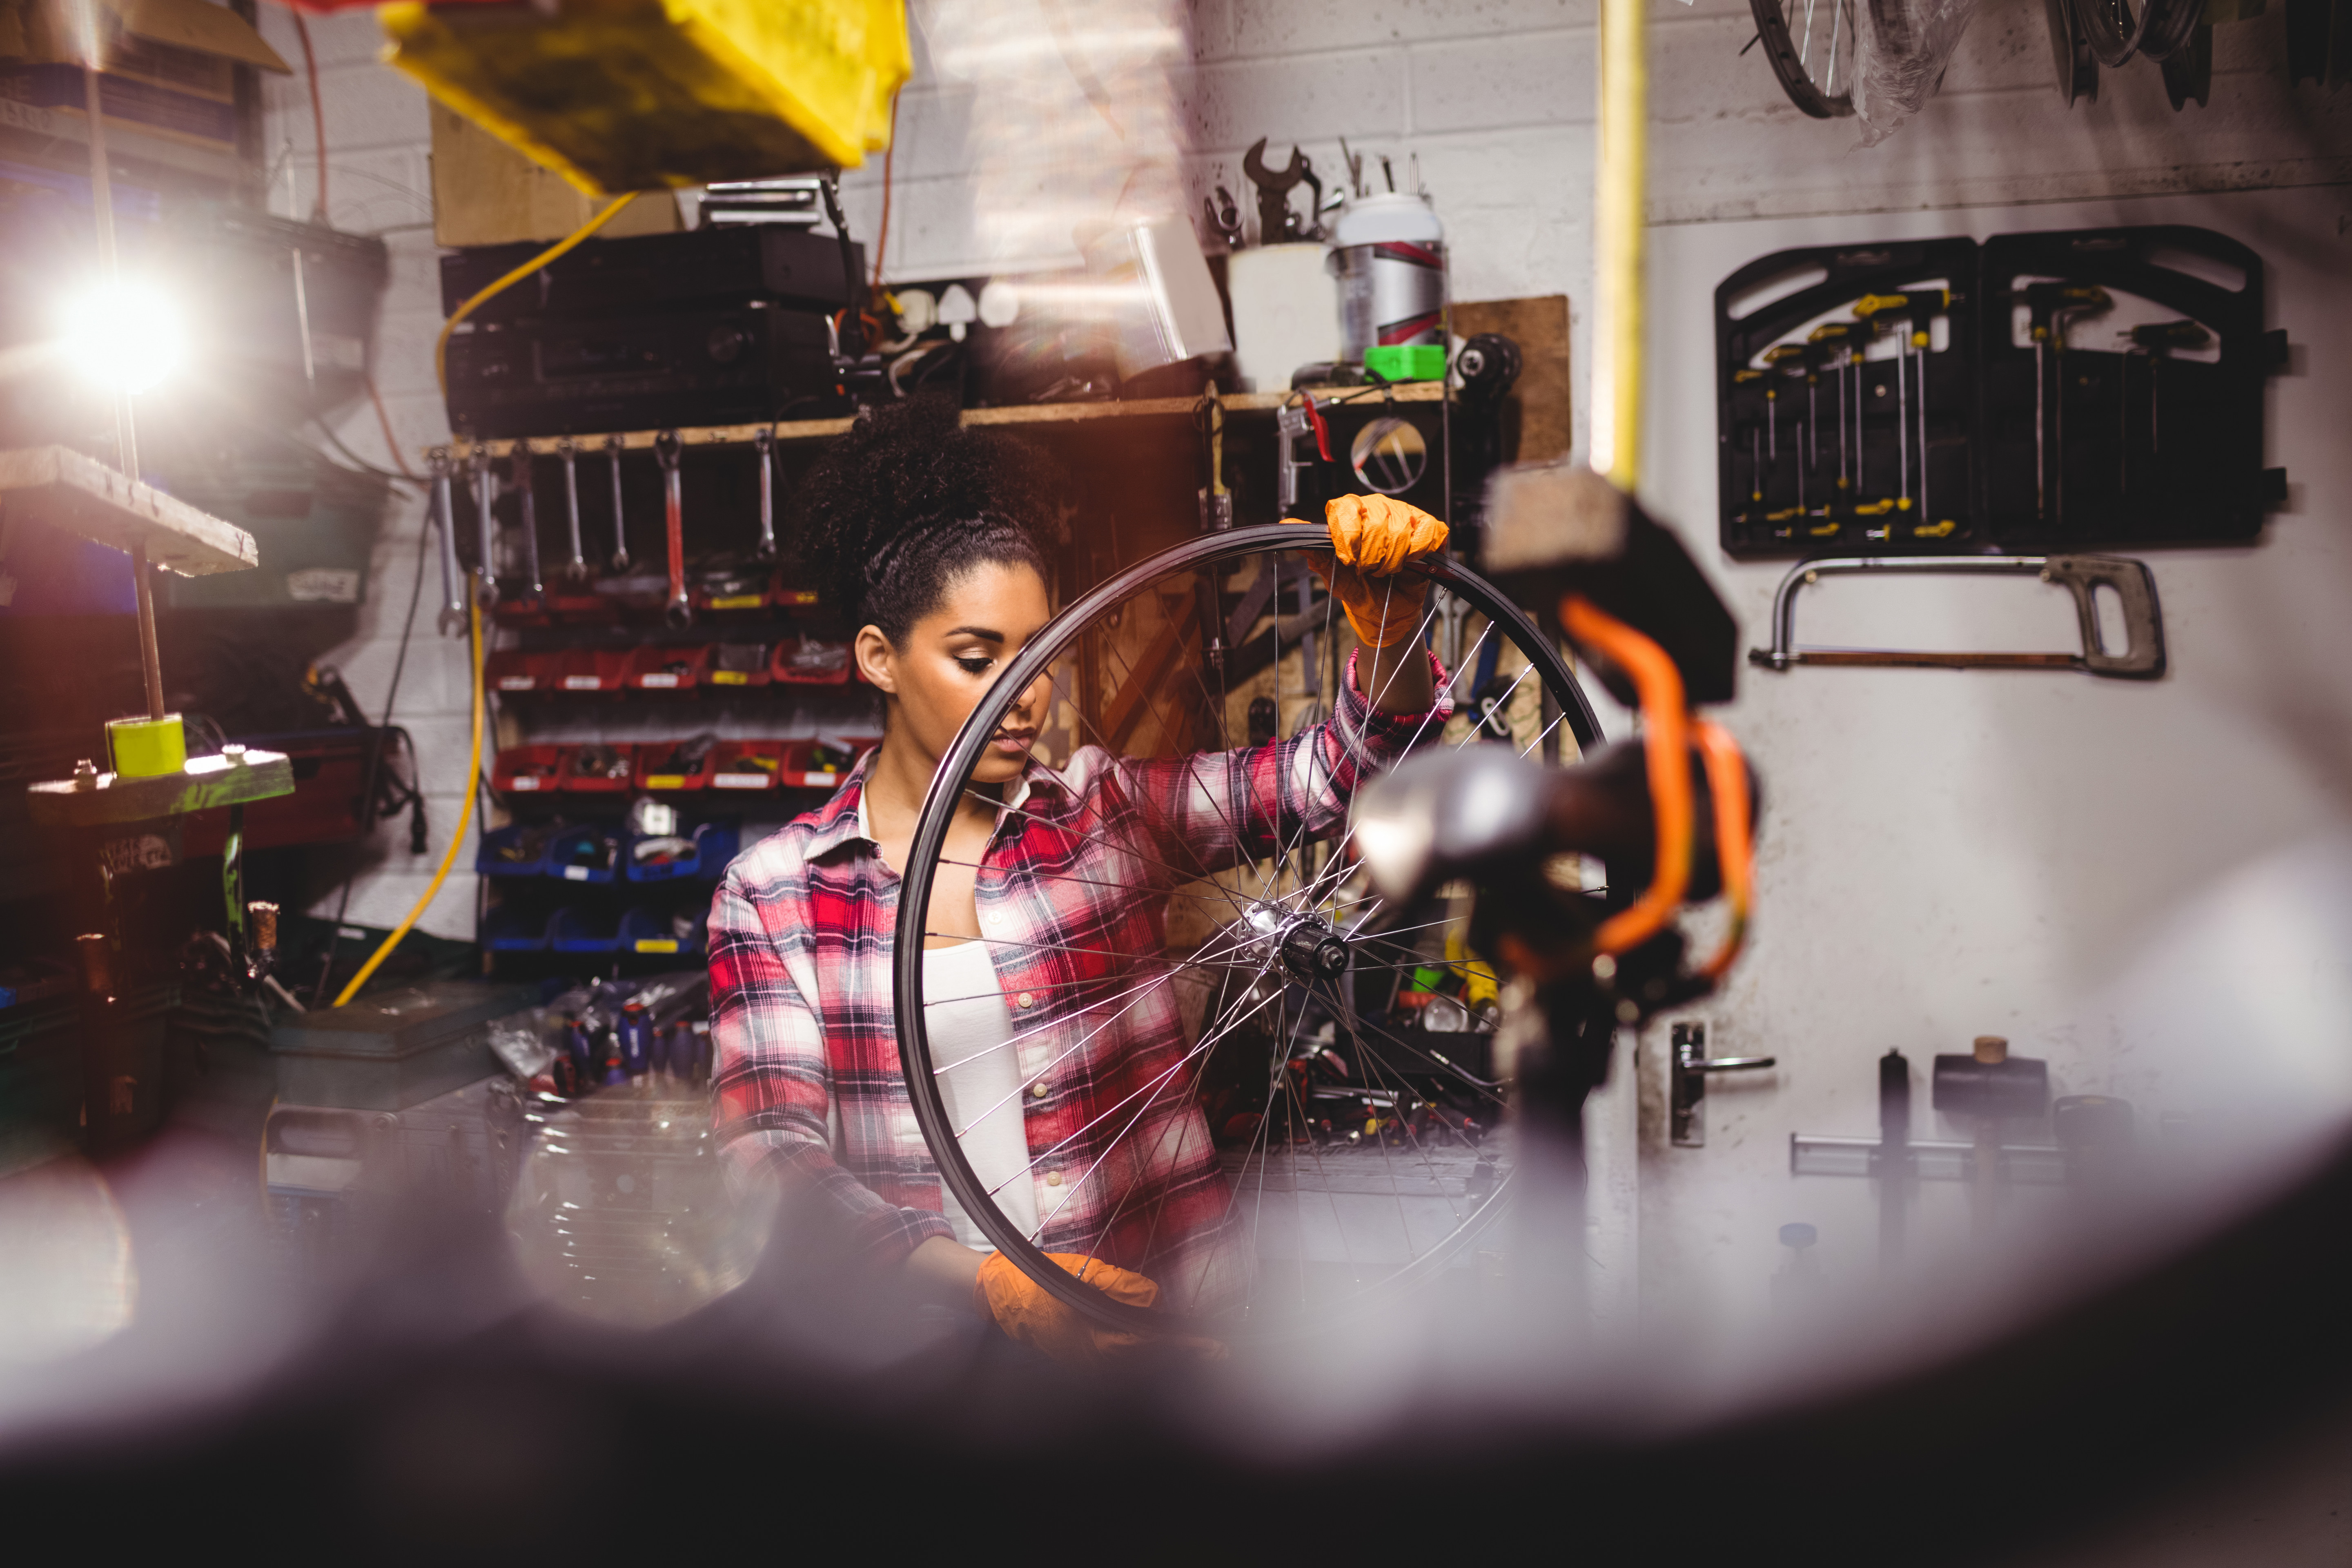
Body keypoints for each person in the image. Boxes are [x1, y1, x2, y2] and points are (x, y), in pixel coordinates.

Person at [707, 396, 1452, 1363]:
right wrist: (987, 1280)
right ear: (880, 660)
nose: (1023, 695)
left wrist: (1389, 640)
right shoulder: (773, 897)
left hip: (1170, 1345)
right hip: (931, 1366)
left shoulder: (1105, 821)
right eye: (977, 658)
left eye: (1041, 653)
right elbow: (773, 1158)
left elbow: (1343, 778)